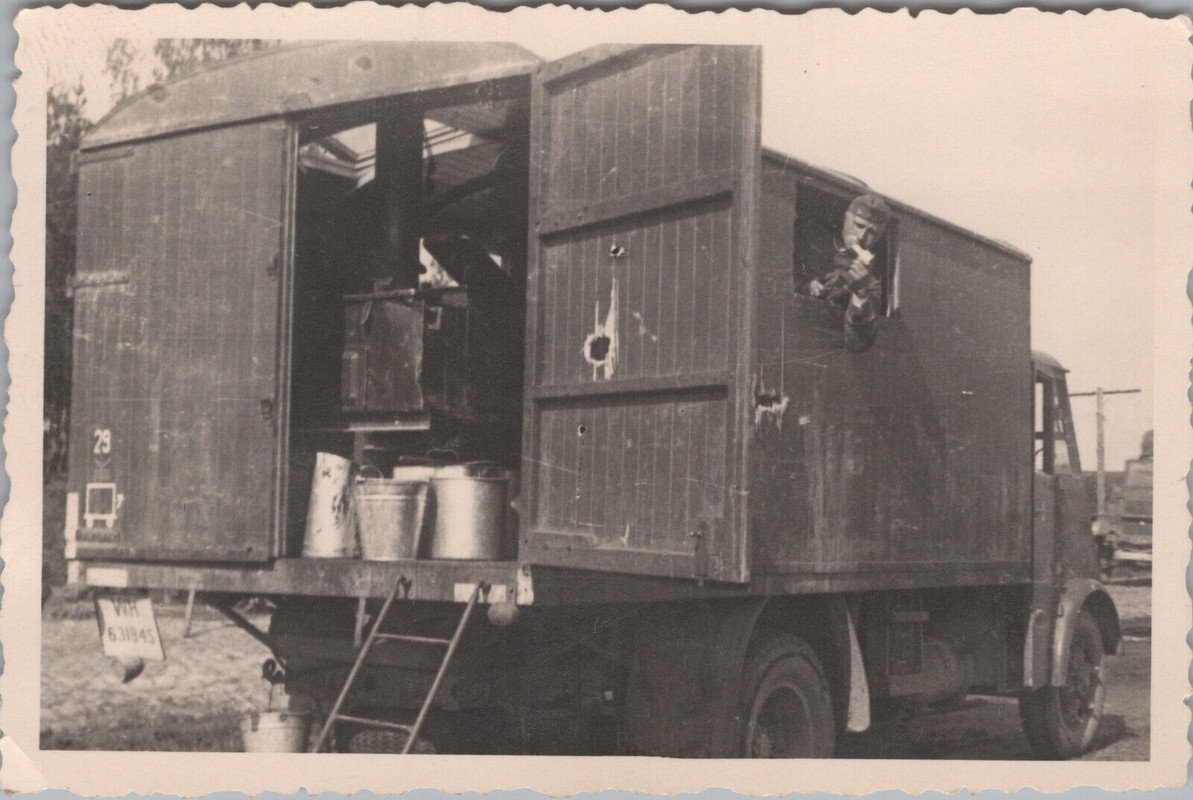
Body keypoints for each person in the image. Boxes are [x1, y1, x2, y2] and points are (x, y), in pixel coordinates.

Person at [794, 193, 892, 352]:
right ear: (846, 219)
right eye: (859, 225)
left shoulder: (871, 279)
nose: (862, 237)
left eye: (872, 233)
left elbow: (860, 343)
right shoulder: (812, 245)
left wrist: (861, 293)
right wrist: (807, 285)